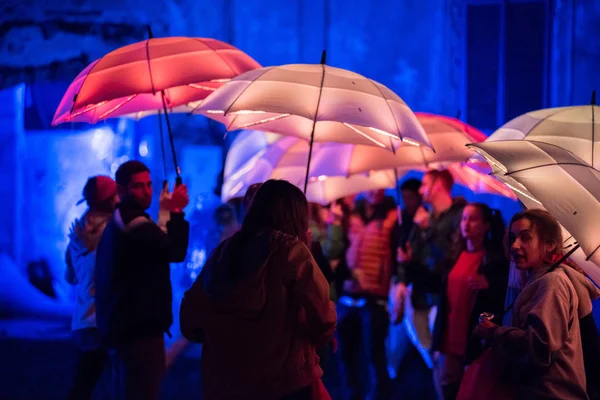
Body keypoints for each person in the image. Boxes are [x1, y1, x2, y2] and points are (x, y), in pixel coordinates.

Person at [179, 179, 336, 400]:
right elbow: (322, 315)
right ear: (296, 214)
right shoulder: (293, 252)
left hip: (226, 382)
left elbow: (190, 317)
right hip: (283, 383)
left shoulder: (225, 252)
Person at [474, 209, 599, 399]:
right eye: (513, 238)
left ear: (549, 244)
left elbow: (540, 347)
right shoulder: (539, 280)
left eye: (525, 238)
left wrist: (494, 332)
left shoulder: (552, 283)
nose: (515, 245)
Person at [95, 161, 190, 400]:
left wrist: (167, 211)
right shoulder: (133, 222)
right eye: (138, 186)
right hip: (138, 334)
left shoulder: (125, 218)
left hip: (126, 329)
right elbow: (174, 251)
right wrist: (177, 212)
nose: (147, 191)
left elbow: (156, 243)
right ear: (121, 189)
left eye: (148, 184)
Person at [431, 203, 509, 399]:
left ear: (486, 225)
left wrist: (489, 285)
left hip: (473, 340)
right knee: (448, 390)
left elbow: (503, 299)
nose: (466, 224)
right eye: (464, 218)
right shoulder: (455, 255)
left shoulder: (494, 261)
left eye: (473, 219)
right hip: (449, 337)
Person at [338, 189, 397, 400]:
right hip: (348, 294)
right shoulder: (352, 214)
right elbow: (341, 249)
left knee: (374, 353)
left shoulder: (393, 215)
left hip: (375, 296)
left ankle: (377, 396)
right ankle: (350, 395)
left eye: (379, 184)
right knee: (345, 353)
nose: (374, 189)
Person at [65, 175, 119, 400]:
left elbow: (70, 277)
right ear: (108, 200)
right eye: (115, 195)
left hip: (83, 321)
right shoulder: (114, 230)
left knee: (84, 385)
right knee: (115, 387)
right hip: (105, 320)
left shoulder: (76, 234)